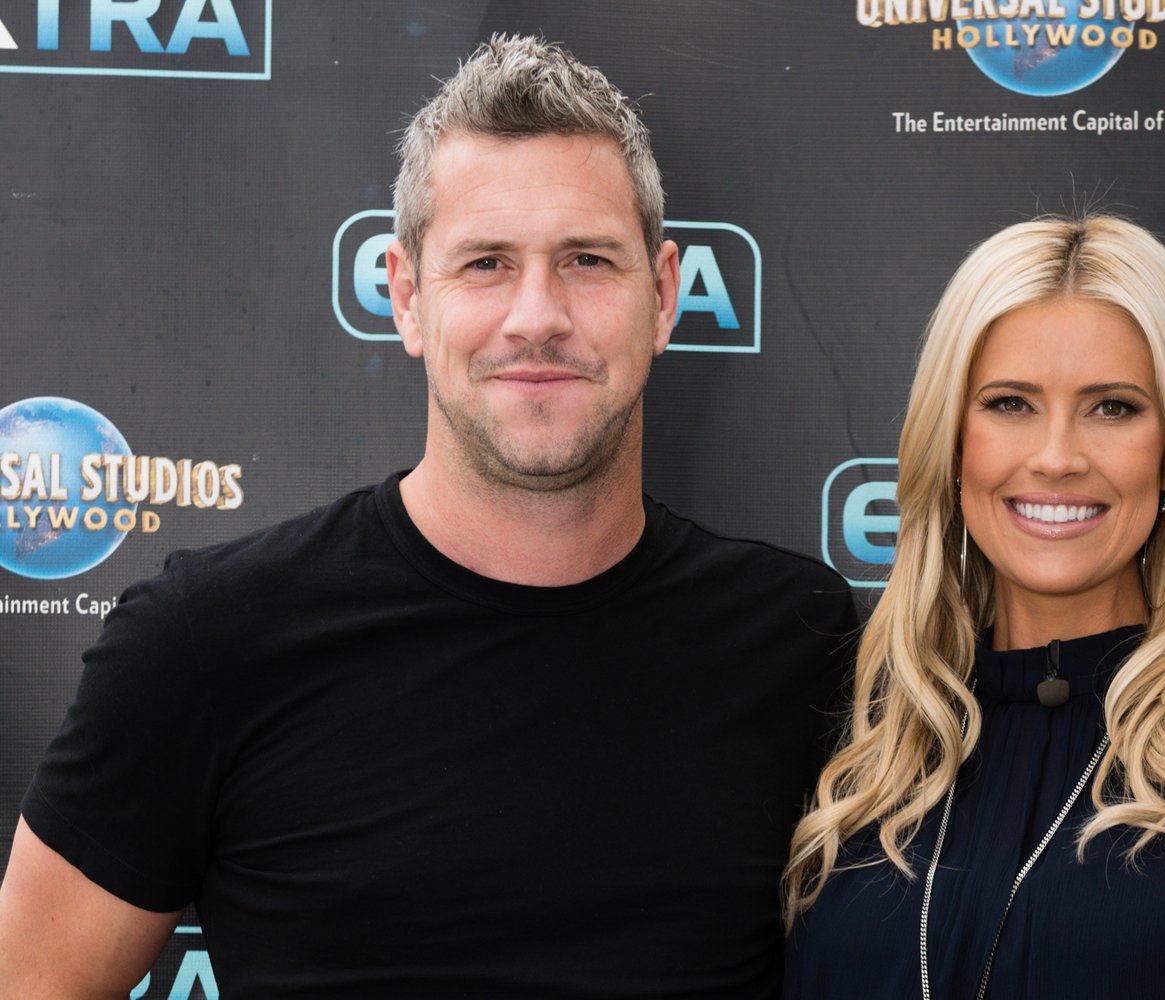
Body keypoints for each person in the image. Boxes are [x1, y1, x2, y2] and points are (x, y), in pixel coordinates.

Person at [0, 35, 857, 999]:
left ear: (662, 297)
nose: (536, 316)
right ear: (407, 298)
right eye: (486, 263)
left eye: (586, 260)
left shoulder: (798, 641)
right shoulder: (206, 642)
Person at [781, 215, 1165, 999]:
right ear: (952, 442)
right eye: (1010, 403)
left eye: (1112, 407)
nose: (1056, 458)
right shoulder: (858, 753)